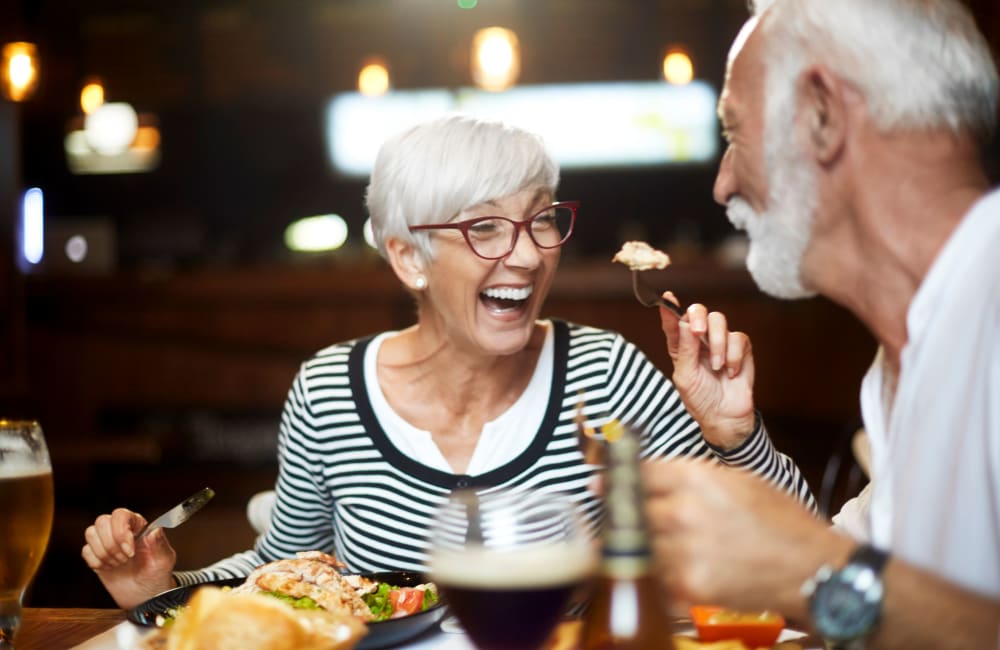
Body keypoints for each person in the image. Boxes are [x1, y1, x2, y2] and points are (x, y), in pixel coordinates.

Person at [81, 114, 814, 610]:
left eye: (541, 220)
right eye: (486, 228)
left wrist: (735, 437)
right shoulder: (329, 391)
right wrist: (162, 584)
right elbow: (280, 576)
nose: (527, 256)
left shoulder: (606, 374)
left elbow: (806, 557)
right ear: (408, 256)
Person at [645, 0, 1000, 647]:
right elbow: (847, 588)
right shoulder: (907, 354)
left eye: (734, 133)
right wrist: (738, 445)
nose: (722, 185)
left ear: (823, 115)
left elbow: (826, 576)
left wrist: (808, 569)